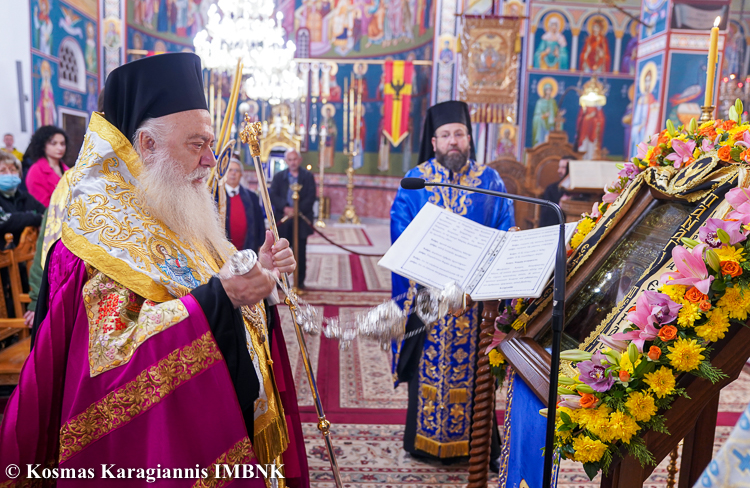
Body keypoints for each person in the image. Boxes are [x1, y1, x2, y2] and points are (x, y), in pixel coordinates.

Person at [0, 53, 309, 486]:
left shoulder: (171, 201)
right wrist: (223, 298)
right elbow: (111, 360)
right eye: (197, 144)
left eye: (211, 146)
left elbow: (211, 280)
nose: (210, 162)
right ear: (147, 145)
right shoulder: (100, 236)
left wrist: (256, 271)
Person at [390, 100, 515, 470]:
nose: (453, 141)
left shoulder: (490, 181)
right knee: (429, 368)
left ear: (468, 137)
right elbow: (402, 234)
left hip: (477, 303)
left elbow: (504, 231)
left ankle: (477, 446)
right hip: (431, 301)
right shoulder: (417, 179)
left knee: (476, 373)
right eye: (445, 135)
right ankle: (425, 444)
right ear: (434, 142)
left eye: (459, 133)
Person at [269, 149, 316, 290]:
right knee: (281, 252)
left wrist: (297, 210)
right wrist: (285, 208)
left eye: (295, 159)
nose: (293, 162)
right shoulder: (278, 177)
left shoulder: (307, 177)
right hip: (283, 220)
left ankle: (299, 282)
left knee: (300, 252)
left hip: (301, 219)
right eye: (290, 160)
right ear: (286, 161)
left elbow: (310, 196)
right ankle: (281, 281)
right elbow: (273, 195)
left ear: (299, 160)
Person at [0, 152, 45, 244]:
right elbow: (4, 220)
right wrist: (35, 217)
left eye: (12, 170)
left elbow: (47, 213)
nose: (9, 174)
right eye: (3, 171)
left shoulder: (25, 197)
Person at [224, 157, 265, 252]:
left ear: (241, 174)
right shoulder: (216, 196)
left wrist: (261, 243)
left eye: (236, 170)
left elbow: (260, 222)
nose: (233, 173)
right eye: (229, 170)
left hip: (248, 247)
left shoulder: (251, 196)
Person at [24, 125, 69, 207]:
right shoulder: (36, 171)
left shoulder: (67, 169)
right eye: (53, 144)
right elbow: (42, 204)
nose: (60, 148)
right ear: (43, 145)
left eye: (62, 144)